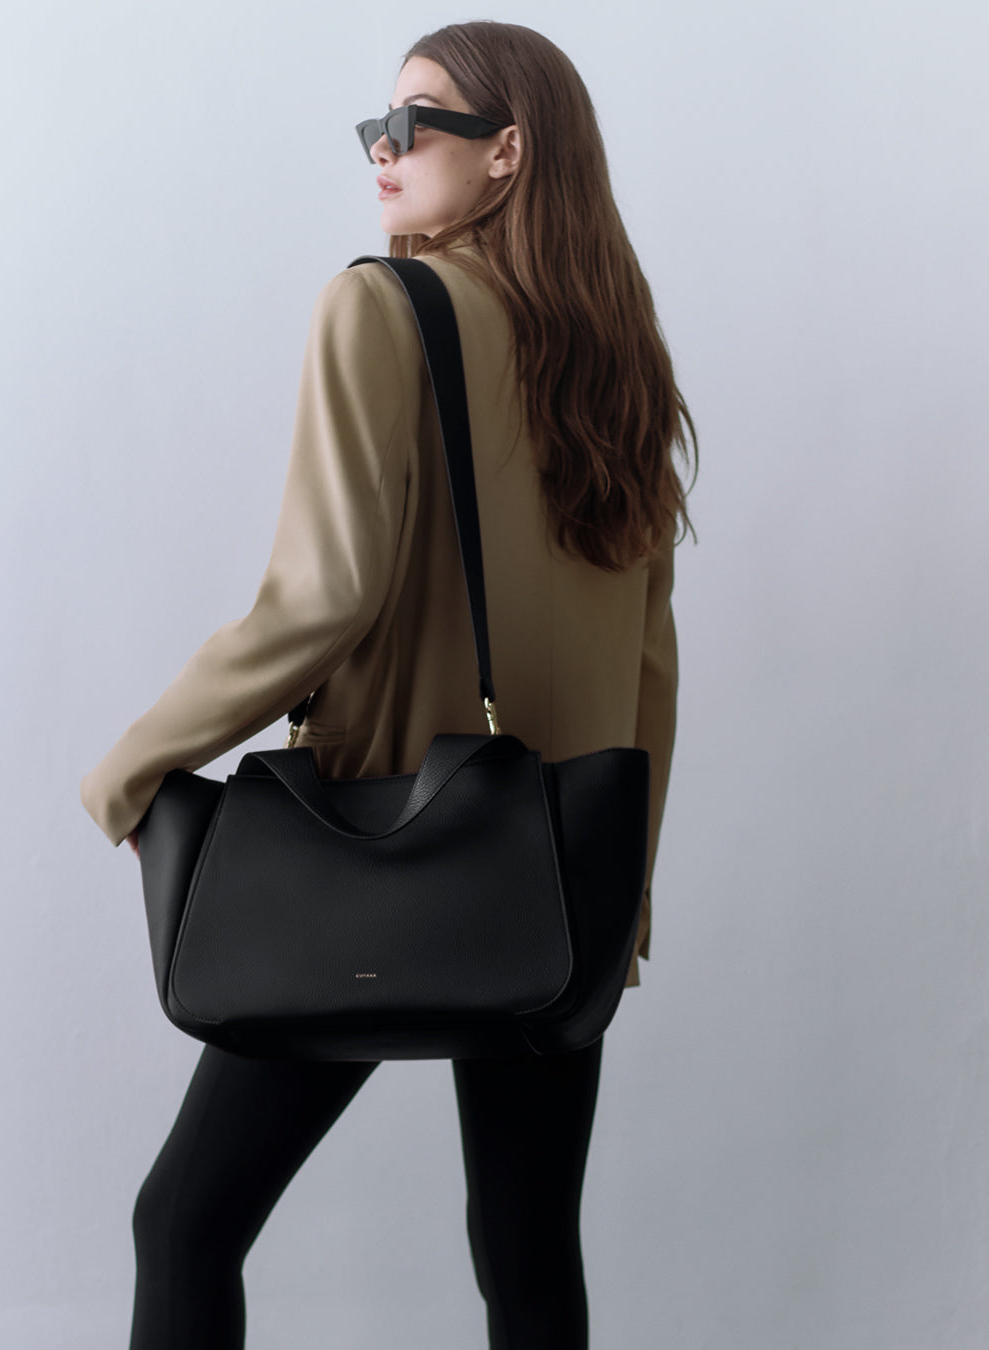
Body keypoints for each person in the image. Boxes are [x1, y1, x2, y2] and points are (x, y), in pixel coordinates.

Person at [79, 20, 697, 1350]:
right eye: (379, 126)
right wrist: (624, 886)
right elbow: (649, 659)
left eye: (417, 124)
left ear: (507, 153)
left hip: (375, 852)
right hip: (555, 868)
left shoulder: (381, 306)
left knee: (185, 1222)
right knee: (527, 1250)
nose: (384, 151)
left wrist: (132, 767)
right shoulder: (618, 356)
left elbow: (322, 597)